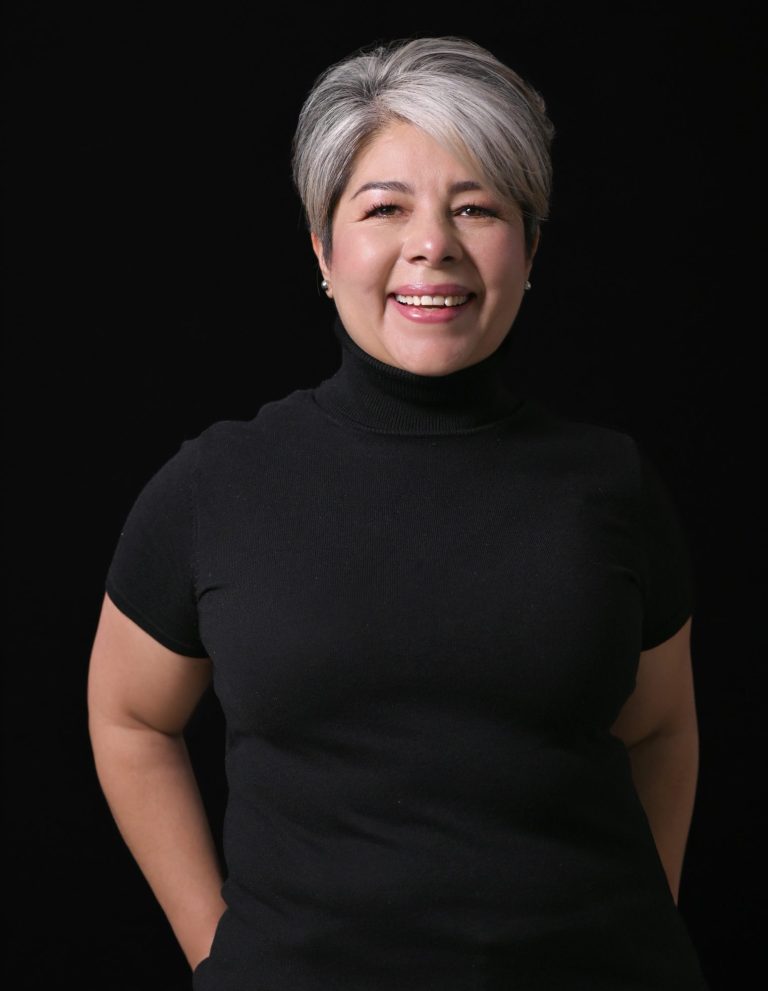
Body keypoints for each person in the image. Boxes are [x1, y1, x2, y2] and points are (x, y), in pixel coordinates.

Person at [87, 35, 709, 990]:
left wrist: (629, 935)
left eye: (477, 207)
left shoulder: (609, 483)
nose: (434, 245)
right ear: (323, 248)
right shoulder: (217, 486)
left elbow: (664, 729)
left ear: (529, 249)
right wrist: (220, 953)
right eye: (385, 207)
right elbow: (129, 714)